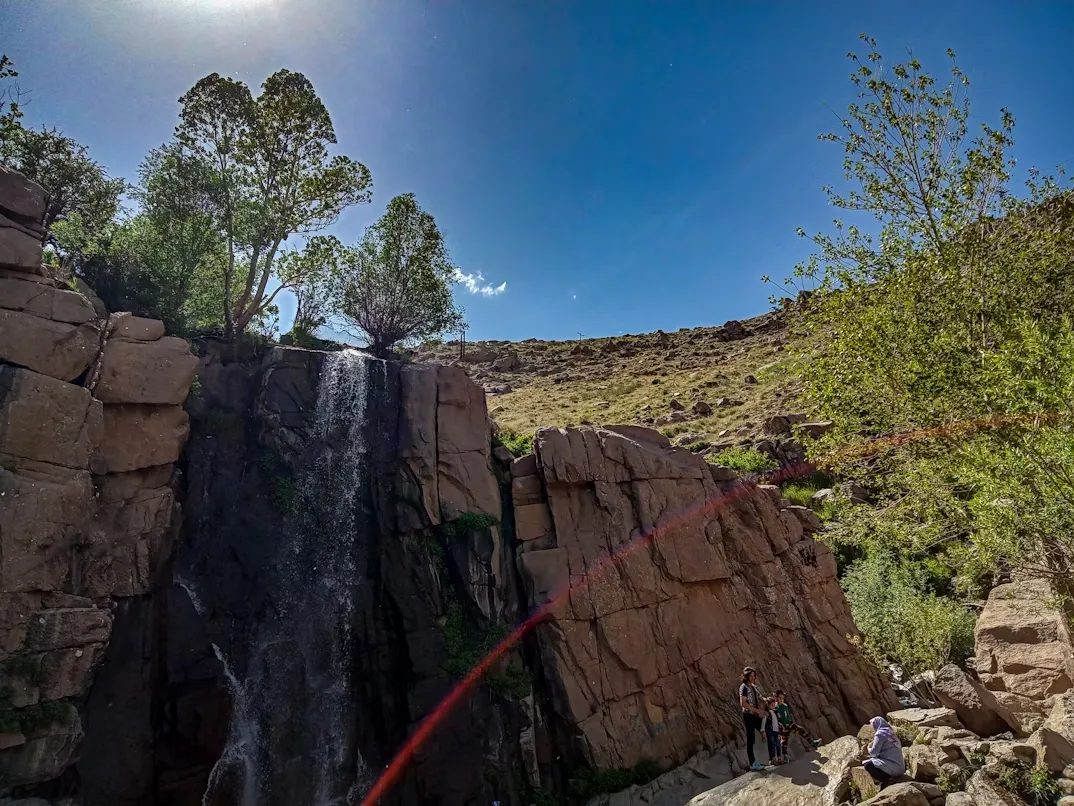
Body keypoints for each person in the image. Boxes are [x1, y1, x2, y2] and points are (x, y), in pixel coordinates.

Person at [774, 689, 823, 762]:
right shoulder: (776, 709)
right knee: (784, 741)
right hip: (783, 727)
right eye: (779, 698)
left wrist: (790, 723)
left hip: (790, 725)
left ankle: (812, 743)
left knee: (801, 730)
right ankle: (784, 756)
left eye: (782, 698)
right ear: (776, 698)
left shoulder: (785, 706)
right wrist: (781, 727)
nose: (781, 700)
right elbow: (777, 720)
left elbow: (787, 716)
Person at [863, 716, 905, 788]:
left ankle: (886, 780)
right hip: (901, 768)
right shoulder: (890, 732)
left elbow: (874, 752)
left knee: (868, 765)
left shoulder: (880, 734)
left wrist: (868, 749)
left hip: (893, 767)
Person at [738, 667, 766, 771]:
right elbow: (743, 703)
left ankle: (774, 756)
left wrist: (766, 700)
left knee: (767, 729)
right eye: (751, 676)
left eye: (754, 676)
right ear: (746, 677)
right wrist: (757, 711)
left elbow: (759, 697)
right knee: (751, 739)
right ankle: (752, 762)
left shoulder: (754, 687)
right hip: (749, 715)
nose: (753, 678)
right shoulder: (744, 687)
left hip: (756, 715)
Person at [763, 698, 783, 765]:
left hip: (777, 731)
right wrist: (763, 731)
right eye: (772, 705)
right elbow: (764, 722)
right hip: (770, 731)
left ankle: (779, 758)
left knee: (778, 744)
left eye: (774, 705)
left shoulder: (776, 712)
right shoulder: (766, 713)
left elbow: (778, 721)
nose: (773, 706)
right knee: (771, 744)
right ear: (768, 705)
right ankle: (773, 759)